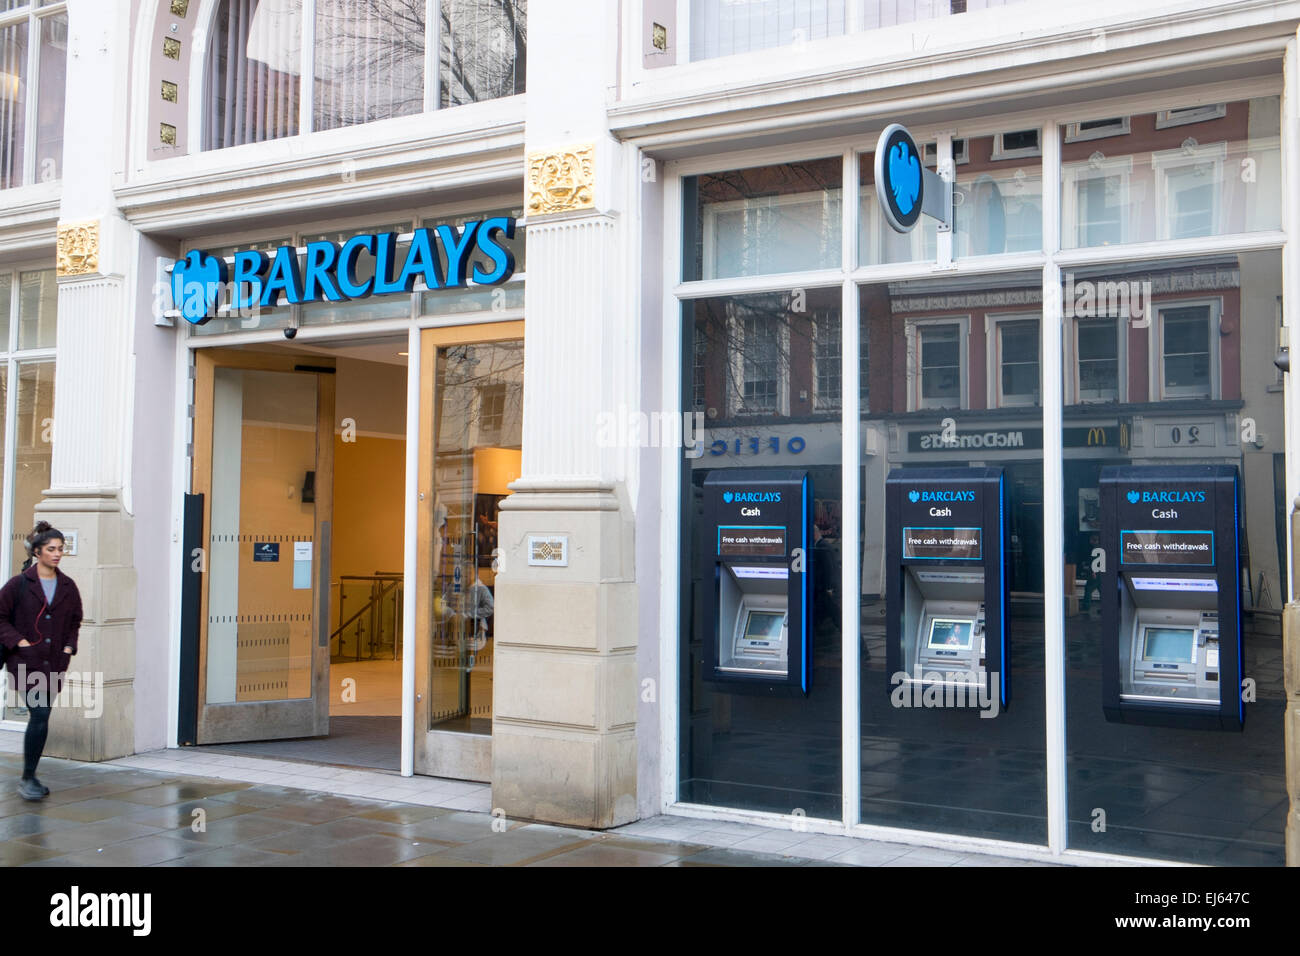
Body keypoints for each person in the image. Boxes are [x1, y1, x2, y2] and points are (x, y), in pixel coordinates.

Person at [0, 522, 83, 801]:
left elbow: (75, 620)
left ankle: (30, 776)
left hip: (54, 663)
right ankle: (28, 777)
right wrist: (19, 642)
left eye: (61, 549)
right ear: (37, 552)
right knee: (40, 713)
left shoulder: (68, 586)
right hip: (25, 662)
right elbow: (0, 618)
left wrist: (70, 646)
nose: (58, 554)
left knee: (41, 715)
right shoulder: (19, 584)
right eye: (51, 549)